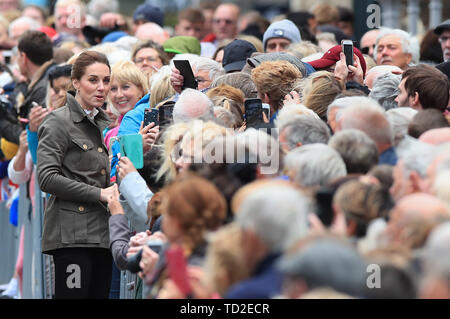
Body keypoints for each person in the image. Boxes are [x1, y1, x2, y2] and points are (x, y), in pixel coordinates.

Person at [37, 51, 116, 298]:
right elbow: (47, 178)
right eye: (93, 80)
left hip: (102, 234)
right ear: (75, 83)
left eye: (106, 80)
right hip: (72, 237)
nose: (101, 87)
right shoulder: (57, 122)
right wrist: (99, 194)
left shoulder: (107, 125)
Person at [0, 30, 55, 145]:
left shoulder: (44, 89)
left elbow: (29, 137)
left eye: (17, 55)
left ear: (23, 57)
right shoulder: (40, 81)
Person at [104, 60, 149, 149]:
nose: (119, 95)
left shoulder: (147, 121)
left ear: (140, 89)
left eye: (125, 87)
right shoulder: (110, 133)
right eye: (113, 89)